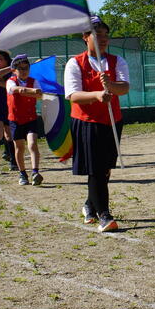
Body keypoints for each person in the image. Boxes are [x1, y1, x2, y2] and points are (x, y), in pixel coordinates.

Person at [65, 16, 130, 233]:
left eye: (105, 35)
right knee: (96, 169)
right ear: (85, 37)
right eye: (97, 34)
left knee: (105, 169)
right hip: (87, 122)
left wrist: (111, 85)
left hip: (112, 121)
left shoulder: (117, 61)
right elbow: (73, 95)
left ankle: (89, 205)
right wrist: (96, 95)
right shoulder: (75, 63)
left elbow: (124, 87)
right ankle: (105, 215)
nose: (103, 39)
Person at [6, 54, 44, 186]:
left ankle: (35, 172)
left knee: (32, 144)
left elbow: (39, 94)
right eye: (20, 69)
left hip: (30, 118)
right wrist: (30, 91)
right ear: (14, 70)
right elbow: (14, 90)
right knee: (19, 147)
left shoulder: (34, 81)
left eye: (26, 68)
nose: (24, 71)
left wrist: (28, 91)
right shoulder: (10, 81)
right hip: (15, 120)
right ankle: (22, 173)